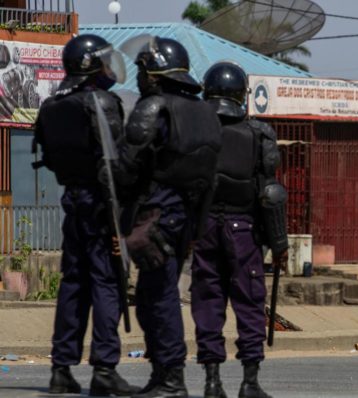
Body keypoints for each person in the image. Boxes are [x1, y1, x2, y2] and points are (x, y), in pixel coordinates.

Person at [116, 36, 222, 398]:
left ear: (155, 73)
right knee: (152, 298)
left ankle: (171, 378)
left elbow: (127, 166)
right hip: (186, 219)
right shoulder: (206, 112)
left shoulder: (155, 107)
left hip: (157, 215)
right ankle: (163, 373)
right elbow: (210, 178)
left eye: (143, 70)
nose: (140, 77)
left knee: (158, 299)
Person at [33, 34, 139, 395]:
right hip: (102, 203)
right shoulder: (101, 101)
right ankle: (105, 369)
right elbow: (116, 162)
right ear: (90, 65)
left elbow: (48, 156)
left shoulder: (51, 106)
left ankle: (61, 368)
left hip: (73, 202)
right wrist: (123, 219)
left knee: (73, 285)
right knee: (107, 283)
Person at [190, 61, 289, 398]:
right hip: (243, 230)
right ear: (241, 94)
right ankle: (249, 382)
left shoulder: (195, 130)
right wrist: (279, 244)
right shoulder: (259, 133)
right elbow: (271, 193)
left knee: (208, 301)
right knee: (248, 303)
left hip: (203, 229)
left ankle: (212, 382)